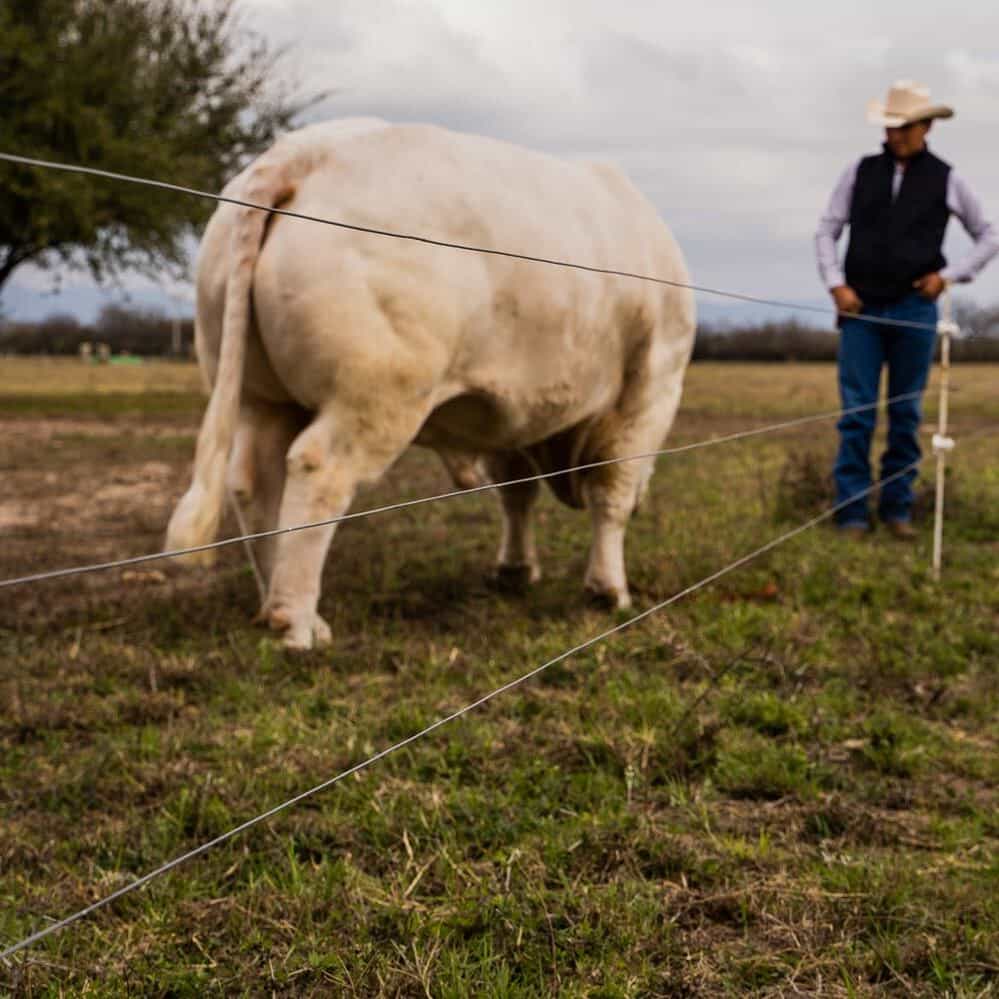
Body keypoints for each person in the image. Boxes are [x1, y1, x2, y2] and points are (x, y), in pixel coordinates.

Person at [815, 80, 998, 538]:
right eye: (891, 126)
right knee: (856, 413)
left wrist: (948, 277)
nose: (896, 135)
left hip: (915, 309)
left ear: (927, 126)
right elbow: (827, 231)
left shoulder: (947, 177)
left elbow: (989, 234)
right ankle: (852, 514)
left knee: (906, 413)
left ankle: (897, 510)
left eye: (906, 127)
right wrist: (836, 285)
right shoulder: (859, 171)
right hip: (860, 310)